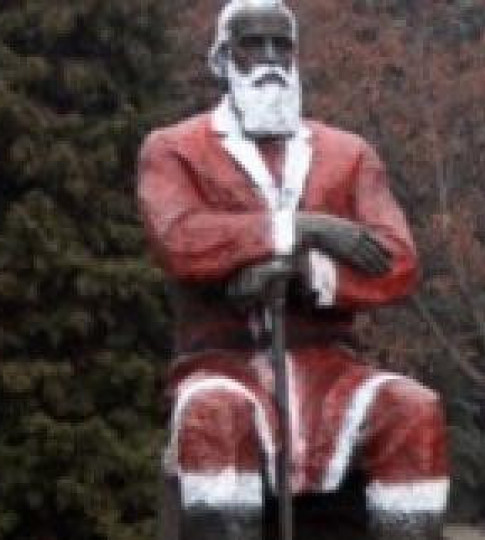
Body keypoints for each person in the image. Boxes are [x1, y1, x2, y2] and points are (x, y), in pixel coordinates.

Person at [136, 1, 448, 538]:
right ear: (222, 58)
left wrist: (309, 275)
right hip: (223, 363)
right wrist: (301, 227)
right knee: (214, 413)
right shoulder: (174, 150)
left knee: (412, 409)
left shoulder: (347, 154)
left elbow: (397, 260)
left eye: (282, 45)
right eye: (252, 44)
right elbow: (180, 238)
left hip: (333, 374)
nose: (269, 59)